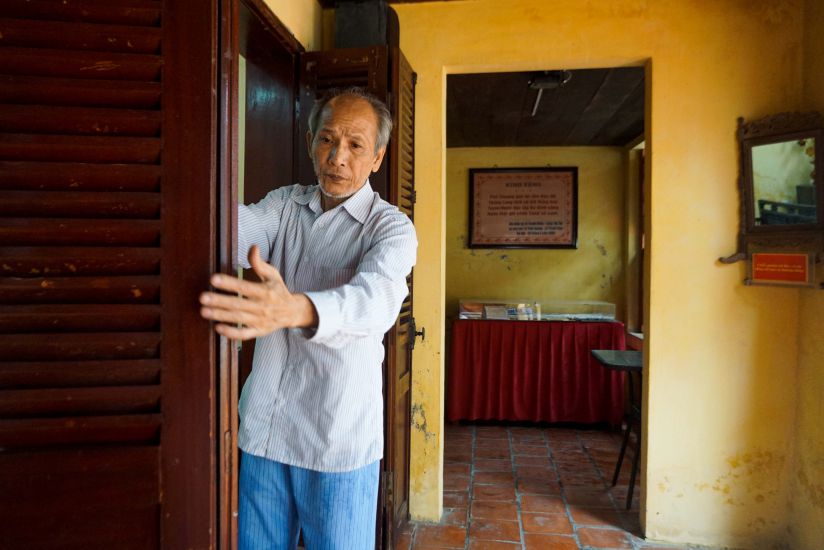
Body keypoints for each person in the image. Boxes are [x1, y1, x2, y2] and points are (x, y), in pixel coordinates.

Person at [199, 87, 417, 549]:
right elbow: (233, 234)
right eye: (326, 140)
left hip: (336, 440)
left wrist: (295, 308)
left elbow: (376, 300)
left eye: (355, 145)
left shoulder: (391, 227)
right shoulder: (285, 204)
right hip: (265, 431)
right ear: (310, 143)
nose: (338, 157)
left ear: (377, 157)